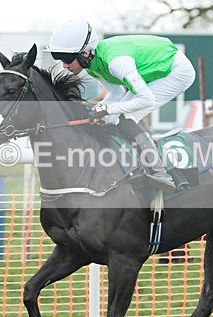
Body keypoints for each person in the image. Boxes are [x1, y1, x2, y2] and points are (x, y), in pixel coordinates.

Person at [47, 20, 196, 191]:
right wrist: (96, 109)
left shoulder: (116, 62)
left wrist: (106, 109)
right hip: (153, 70)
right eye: (59, 59)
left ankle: (160, 172)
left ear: (86, 53)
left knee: (126, 117)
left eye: (67, 59)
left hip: (176, 70)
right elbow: (116, 93)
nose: (65, 65)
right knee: (112, 119)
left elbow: (146, 100)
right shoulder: (91, 66)